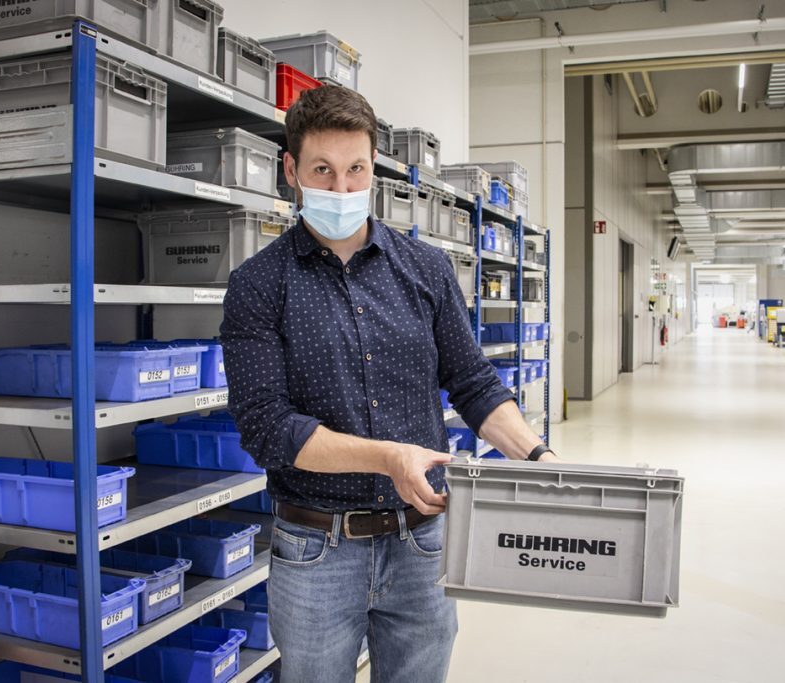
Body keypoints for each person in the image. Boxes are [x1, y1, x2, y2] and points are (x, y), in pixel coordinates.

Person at [220, 85, 557, 683]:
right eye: (323, 170)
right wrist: (388, 459)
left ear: (373, 169)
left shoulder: (424, 269)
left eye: (356, 170)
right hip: (317, 549)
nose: (342, 188)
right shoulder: (257, 285)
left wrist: (537, 454)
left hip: (423, 545)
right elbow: (266, 426)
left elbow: (472, 381)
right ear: (291, 170)